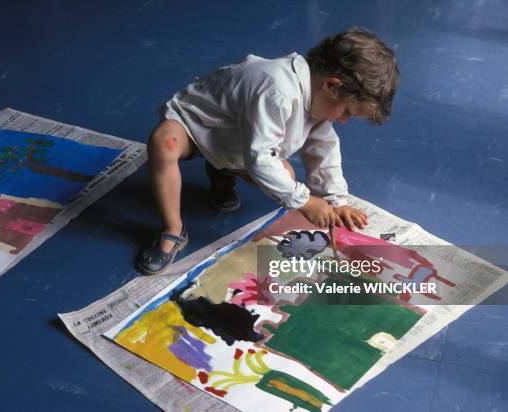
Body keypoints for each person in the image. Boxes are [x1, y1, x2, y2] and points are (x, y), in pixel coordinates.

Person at [137, 27, 399, 275]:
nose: (343, 121)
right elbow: (260, 158)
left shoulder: (318, 100)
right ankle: (174, 229)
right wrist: (306, 202)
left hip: (238, 144)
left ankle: (222, 171)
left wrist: (336, 200)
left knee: (284, 174)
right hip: (197, 126)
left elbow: (324, 149)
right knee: (164, 143)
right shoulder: (277, 90)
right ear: (332, 85)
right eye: (347, 113)